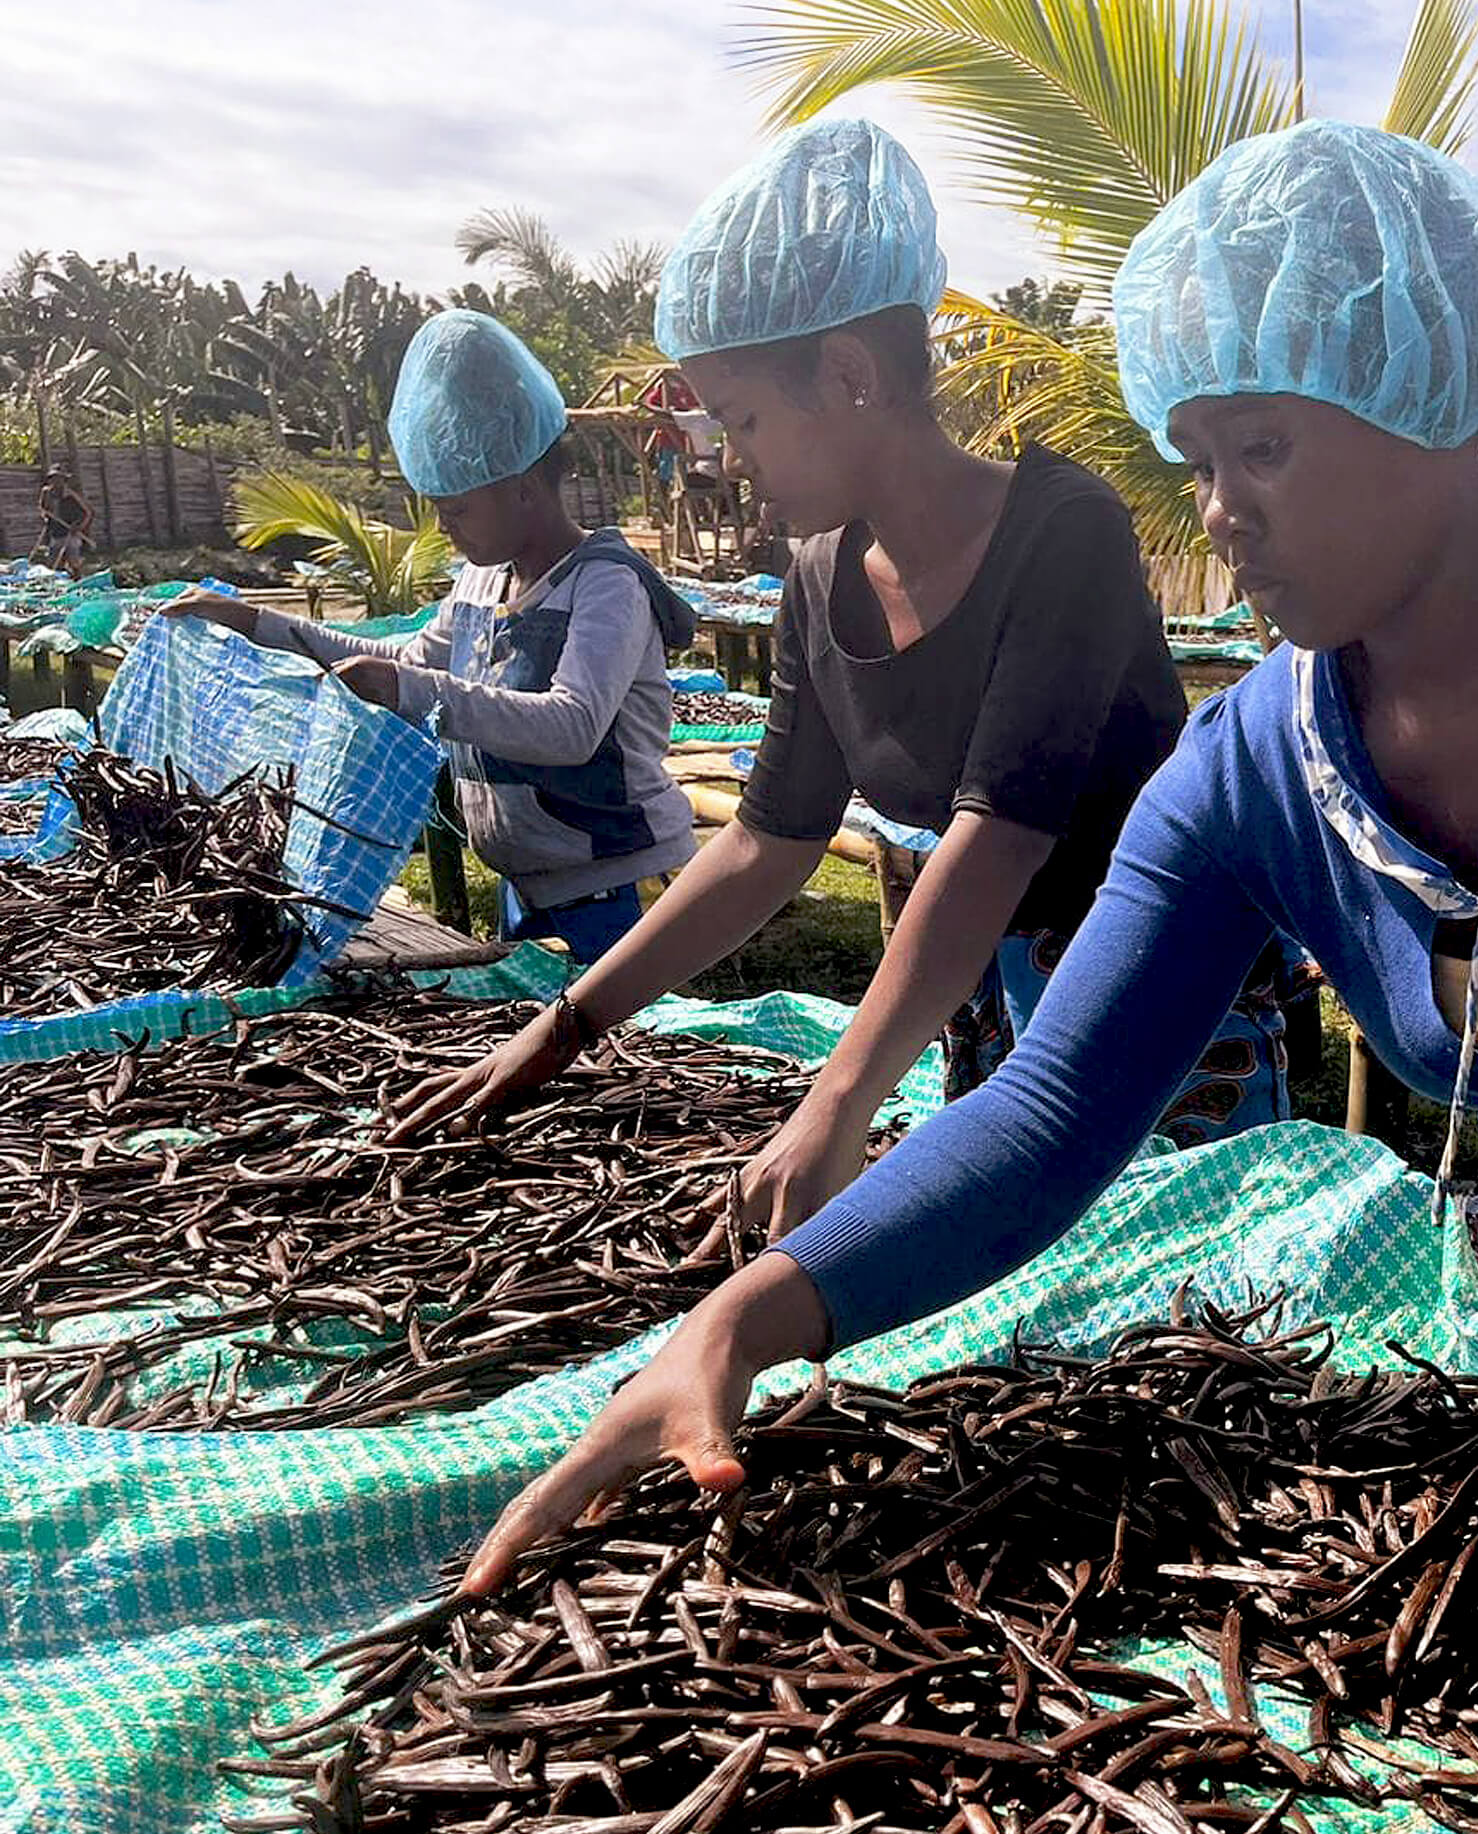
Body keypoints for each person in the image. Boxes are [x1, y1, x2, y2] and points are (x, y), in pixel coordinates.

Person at [463, 120, 1478, 1596]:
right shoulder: (1259, 768)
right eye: (1196, 457)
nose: (1217, 512)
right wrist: (746, 1320)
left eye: (1261, 446)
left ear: (1437, 400)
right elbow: (1055, 1107)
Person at [389, 118, 1291, 1223]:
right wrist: (566, 1025)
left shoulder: (1065, 532)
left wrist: (837, 1101)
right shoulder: (818, 579)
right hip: (979, 1004)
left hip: (1159, 1010)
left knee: (1180, 1299)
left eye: (744, 419)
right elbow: (767, 840)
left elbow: (997, 836)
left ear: (851, 375)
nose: (732, 458)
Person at [164, 310, 697, 962]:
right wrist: (256, 623)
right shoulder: (483, 581)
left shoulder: (606, 585)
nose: (446, 527)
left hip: (610, 883)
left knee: (611, 1023)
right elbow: (406, 660)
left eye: (458, 509)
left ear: (525, 488)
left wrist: (411, 690)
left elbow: (573, 725)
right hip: (529, 880)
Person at [34, 466, 93, 577]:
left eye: (59, 479)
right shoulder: (46, 493)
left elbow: (88, 513)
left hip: (70, 532)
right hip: (55, 532)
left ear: (64, 480)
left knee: (73, 561)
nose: (56, 482)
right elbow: (42, 508)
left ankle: (77, 579)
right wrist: (46, 516)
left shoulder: (71, 495)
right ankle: (61, 581)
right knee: (53, 562)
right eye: (53, 479)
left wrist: (79, 526)